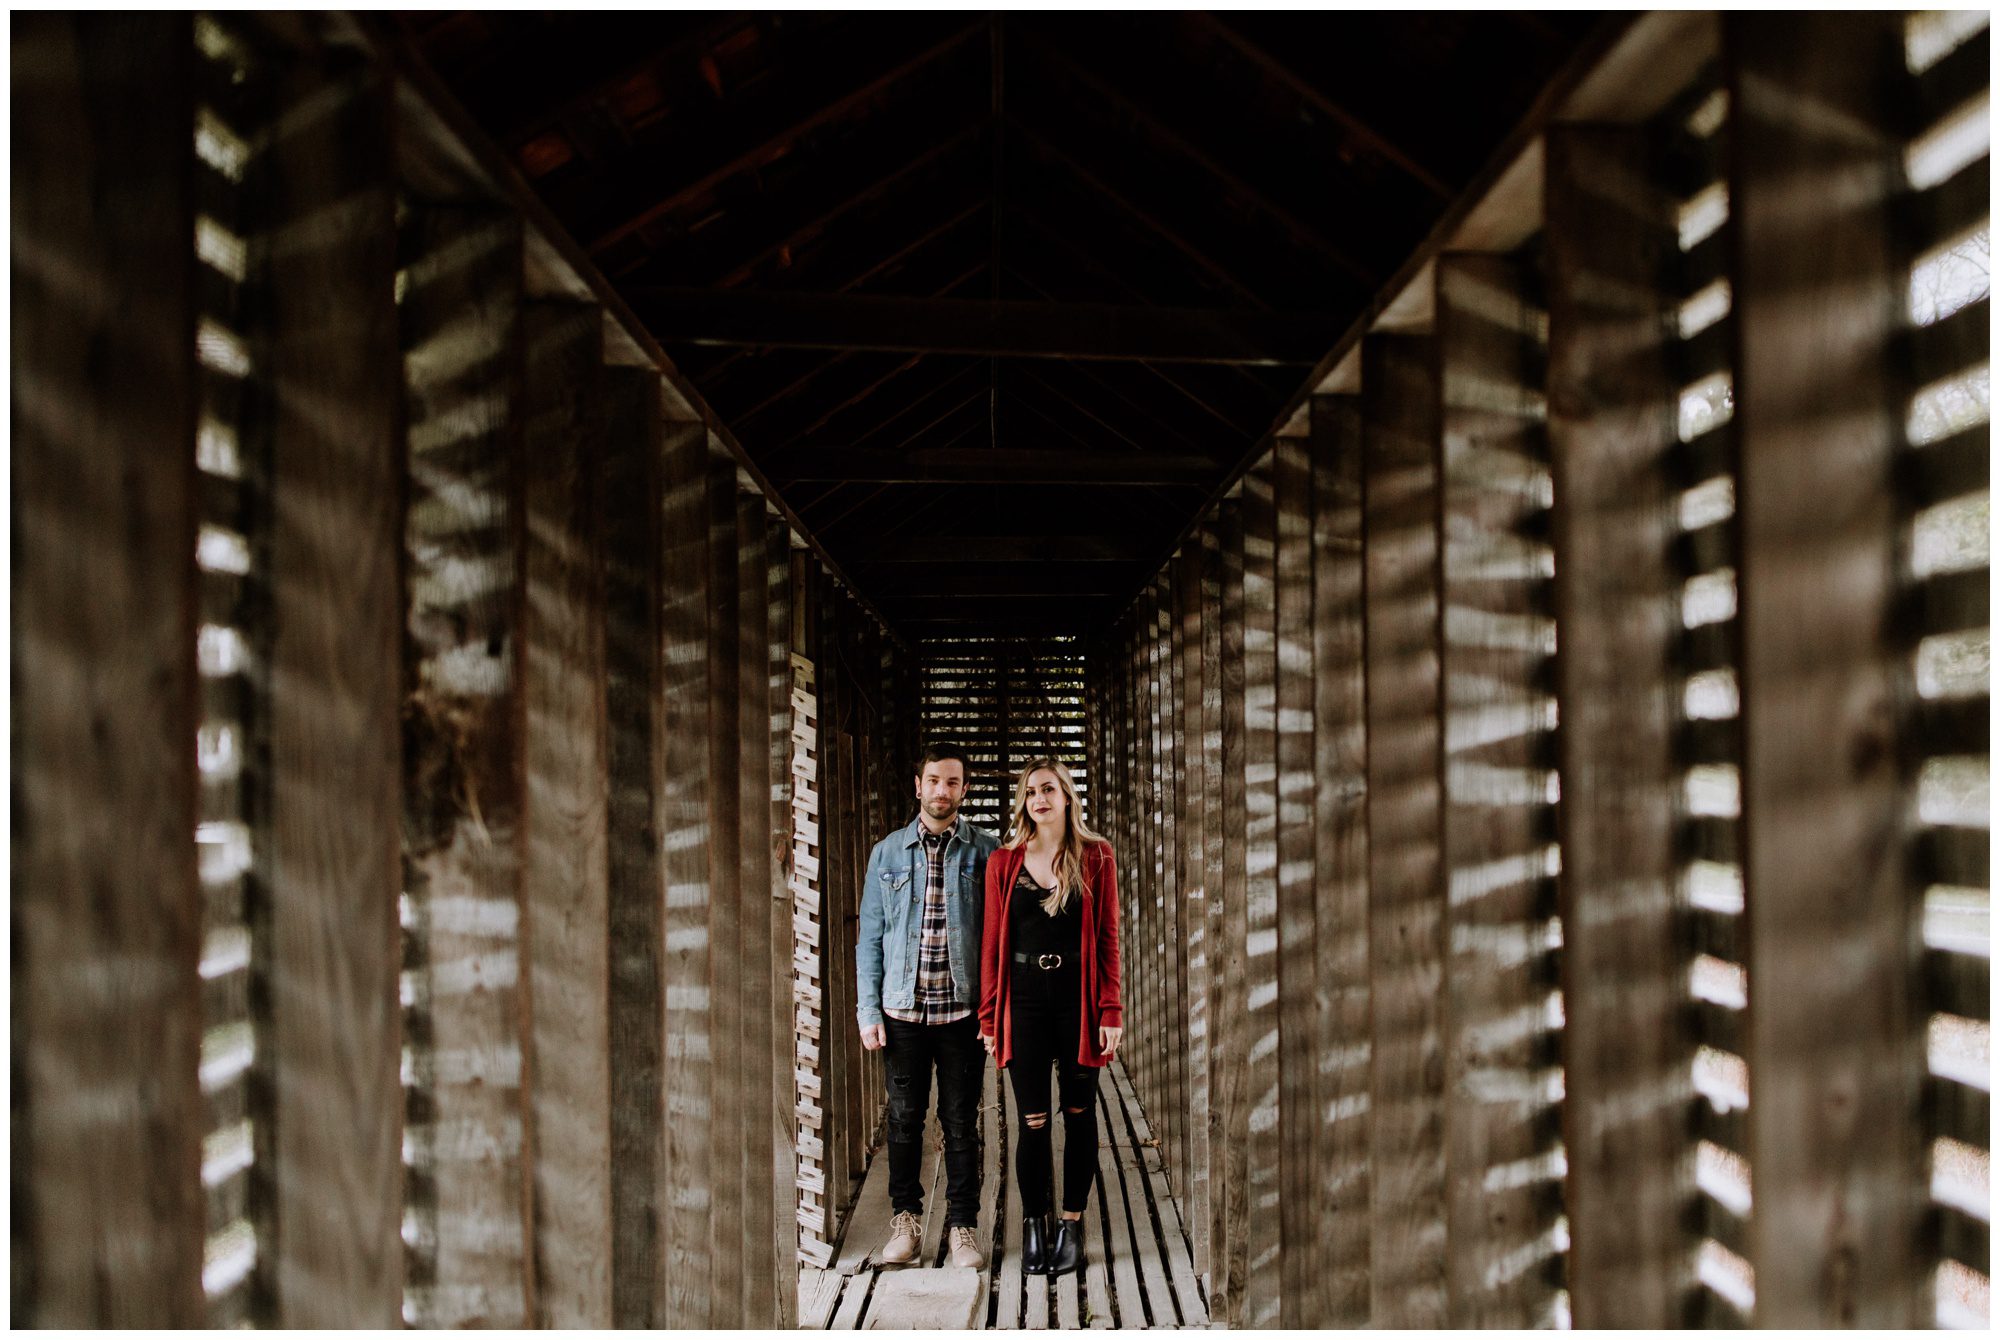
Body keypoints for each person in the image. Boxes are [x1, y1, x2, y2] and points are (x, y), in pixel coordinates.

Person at [856, 741, 1000, 1270]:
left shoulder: (987, 852)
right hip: (902, 1012)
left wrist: (994, 1012)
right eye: (934, 780)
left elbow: (1000, 940)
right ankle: (906, 1223)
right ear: (918, 786)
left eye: (952, 782)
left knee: (961, 1122)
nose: (942, 790)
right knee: (903, 1120)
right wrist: (868, 1010)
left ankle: (963, 1227)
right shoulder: (887, 852)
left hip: (961, 1011)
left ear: (965, 789)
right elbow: (870, 937)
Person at [977, 757, 1123, 1278]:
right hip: (1025, 1003)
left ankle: (1072, 1224)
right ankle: (1035, 1225)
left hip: (1077, 1002)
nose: (1039, 799)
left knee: (1080, 1114)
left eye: (1048, 789)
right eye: (1031, 791)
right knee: (1033, 1120)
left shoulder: (1097, 856)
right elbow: (991, 945)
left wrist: (1111, 1009)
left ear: (1066, 797)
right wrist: (989, 1019)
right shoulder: (1004, 862)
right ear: (1024, 801)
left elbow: (1107, 939)